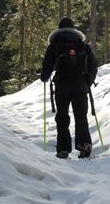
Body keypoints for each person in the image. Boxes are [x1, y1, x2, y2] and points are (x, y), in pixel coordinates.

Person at [40, 17, 98, 159]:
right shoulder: (82, 45)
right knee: (81, 116)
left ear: (59, 29)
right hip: (81, 85)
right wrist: (88, 80)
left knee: (62, 117)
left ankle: (63, 149)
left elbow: (47, 66)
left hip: (62, 85)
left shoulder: (55, 45)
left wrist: (44, 77)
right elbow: (93, 65)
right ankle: (84, 144)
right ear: (74, 29)